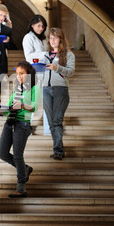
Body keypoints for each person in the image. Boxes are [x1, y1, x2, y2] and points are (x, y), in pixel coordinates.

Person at [0, 61, 40, 198]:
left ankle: (21, 188)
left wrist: (21, 105)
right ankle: (26, 169)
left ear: (29, 74)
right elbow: (9, 108)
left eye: (22, 73)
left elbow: (33, 107)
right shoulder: (17, 89)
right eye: (17, 74)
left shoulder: (34, 88)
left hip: (23, 124)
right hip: (10, 122)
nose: (19, 77)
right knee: (2, 153)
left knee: (17, 155)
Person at [37, 28, 75, 160]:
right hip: (46, 89)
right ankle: (58, 148)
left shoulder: (68, 55)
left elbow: (70, 72)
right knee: (52, 122)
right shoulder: (45, 55)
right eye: (50, 38)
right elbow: (41, 71)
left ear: (61, 39)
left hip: (60, 90)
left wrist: (57, 67)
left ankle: (58, 150)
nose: (52, 40)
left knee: (57, 120)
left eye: (55, 37)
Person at [22, 14, 49, 134]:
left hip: (43, 72)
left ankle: (47, 128)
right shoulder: (28, 38)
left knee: (44, 100)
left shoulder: (42, 39)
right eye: (38, 25)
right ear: (32, 25)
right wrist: (45, 55)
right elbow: (29, 57)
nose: (41, 28)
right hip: (33, 72)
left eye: (43, 26)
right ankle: (25, 125)